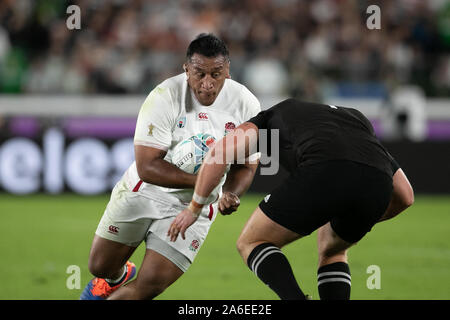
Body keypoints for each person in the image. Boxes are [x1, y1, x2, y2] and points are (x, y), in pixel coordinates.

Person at [168, 98, 414, 300]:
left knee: (252, 241)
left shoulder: (266, 119)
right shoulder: (355, 118)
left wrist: (194, 207)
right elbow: (405, 195)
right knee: (333, 250)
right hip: (377, 183)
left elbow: (219, 153)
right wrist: (365, 217)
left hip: (325, 169)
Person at [80, 33, 261, 300]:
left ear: (228, 71)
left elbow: (247, 165)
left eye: (216, 74)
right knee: (100, 266)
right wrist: (205, 182)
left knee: (149, 286)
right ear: (186, 70)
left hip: (194, 207)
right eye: (200, 74)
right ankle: (118, 276)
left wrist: (231, 193)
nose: (208, 84)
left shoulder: (246, 103)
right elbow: (147, 167)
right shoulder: (164, 96)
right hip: (144, 191)